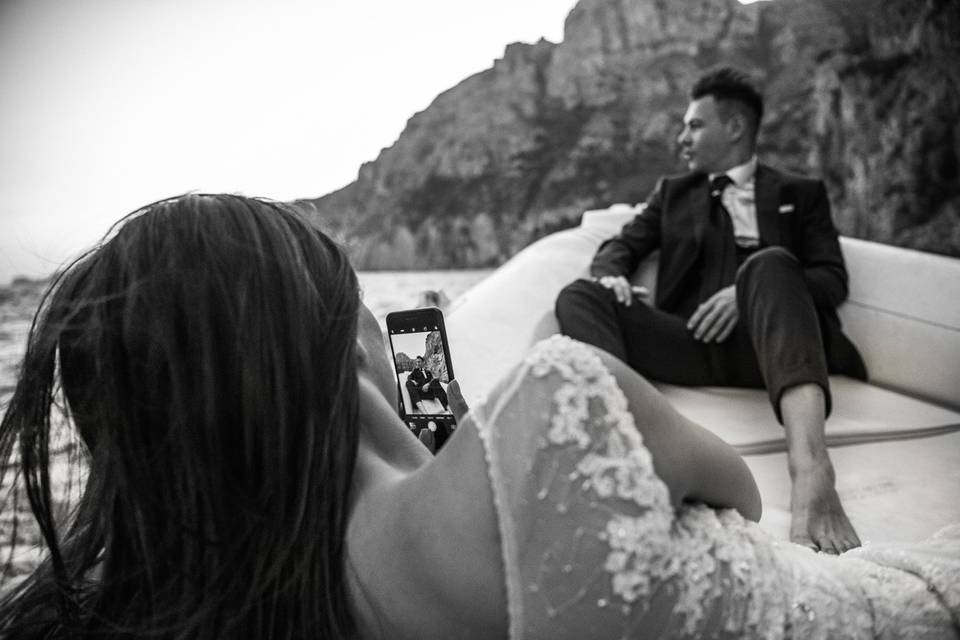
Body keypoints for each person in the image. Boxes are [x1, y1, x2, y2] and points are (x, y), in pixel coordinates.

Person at [1, 194, 957, 639]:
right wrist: (464, 445)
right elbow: (743, 498)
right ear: (352, 336)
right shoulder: (557, 405)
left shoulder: (242, 602)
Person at [555, 66, 868, 554]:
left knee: (769, 264)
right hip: (690, 343)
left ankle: (813, 474)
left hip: (779, 351)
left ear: (736, 127)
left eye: (694, 125)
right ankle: (625, 446)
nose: (682, 138)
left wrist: (745, 294)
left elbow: (832, 279)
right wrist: (611, 275)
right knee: (579, 295)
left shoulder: (800, 195)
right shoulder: (672, 194)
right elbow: (623, 245)